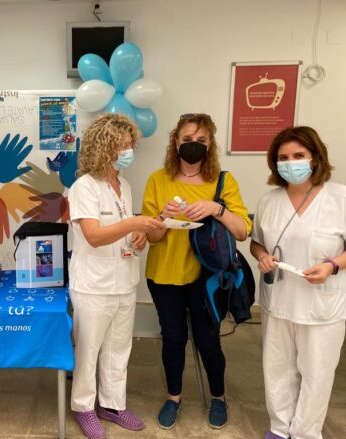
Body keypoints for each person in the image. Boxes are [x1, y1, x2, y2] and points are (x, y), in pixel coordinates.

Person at [141, 113, 251, 430]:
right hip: (164, 273)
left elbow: (242, 231)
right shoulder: (158, 180)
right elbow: (151, 236)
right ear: (175, 143)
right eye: (187, 139)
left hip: (208, 278)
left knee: (208, 340)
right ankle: (173, 398)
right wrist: (162, 218)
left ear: (210, 144)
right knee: (173, 338)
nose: (193, 145)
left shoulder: (223, 181)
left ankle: (218, 397)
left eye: (201, 140)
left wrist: (216, 208)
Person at [68, 113, 165, 439]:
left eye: (130, 145)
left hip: (124, 280)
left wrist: (137, 236)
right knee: (89, 350)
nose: (128, 151)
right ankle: (83, 406)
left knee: (118, 348)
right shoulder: (84, 187)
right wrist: (135, 223)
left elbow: (121, 229)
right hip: (93, 285)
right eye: (122, 145)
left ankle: (112, 404)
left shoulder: (124, 186)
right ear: (103, 147)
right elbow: (94, 236)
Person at [250, 126, 346, 439]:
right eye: (283, 158)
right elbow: (256, 242)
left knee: (317, 373)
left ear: (315, 158)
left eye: (298, 155)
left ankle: (306, 432)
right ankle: (280, 428)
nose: (290, 163)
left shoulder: (340, 197)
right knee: (277, 368)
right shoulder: (269, 201)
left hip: (322, 305)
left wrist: (332, 265)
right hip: (279, 301)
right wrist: (262, 256)